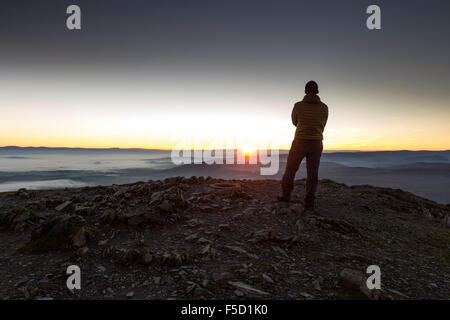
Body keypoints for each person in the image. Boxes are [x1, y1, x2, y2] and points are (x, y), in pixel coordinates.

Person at [278, 80, 328, 212]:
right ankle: (309, 202)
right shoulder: (324, 107)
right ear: (317, 91)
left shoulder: (298, 106)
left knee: (290, 169)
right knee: (312, 173)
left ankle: (286, 196)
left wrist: (304, 127)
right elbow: (323, 124)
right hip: (316, 142)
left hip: (300, 141)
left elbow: (295, 121)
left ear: (305, 91)